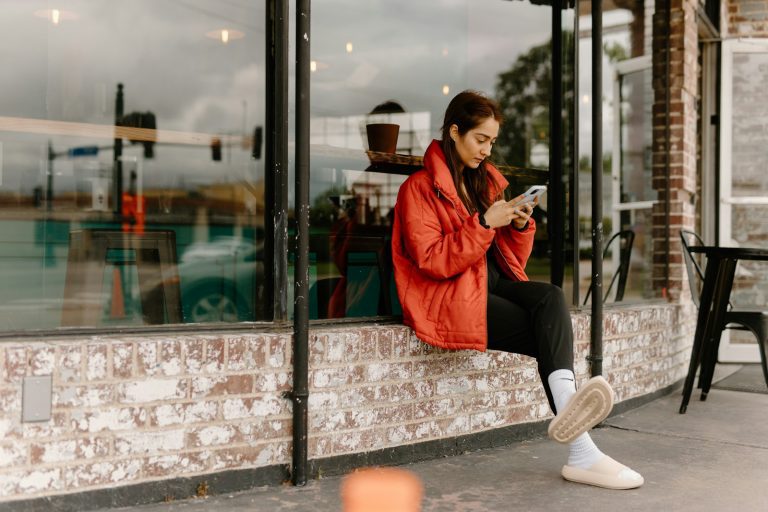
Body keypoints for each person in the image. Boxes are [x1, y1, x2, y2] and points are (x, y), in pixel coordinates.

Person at [391, 90, 643, 490]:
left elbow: (509, 257)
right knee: (547, 336)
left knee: (551, 297)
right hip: (449, 297)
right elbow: (433, 260)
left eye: (492, 141)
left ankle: (579, 442)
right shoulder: (419, 189)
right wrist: (485, 224)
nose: (487, 151)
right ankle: (582, 450)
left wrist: (520, 225)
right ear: (454, 132)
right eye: (481, 140)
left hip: (491, 283)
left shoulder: (484, 182)